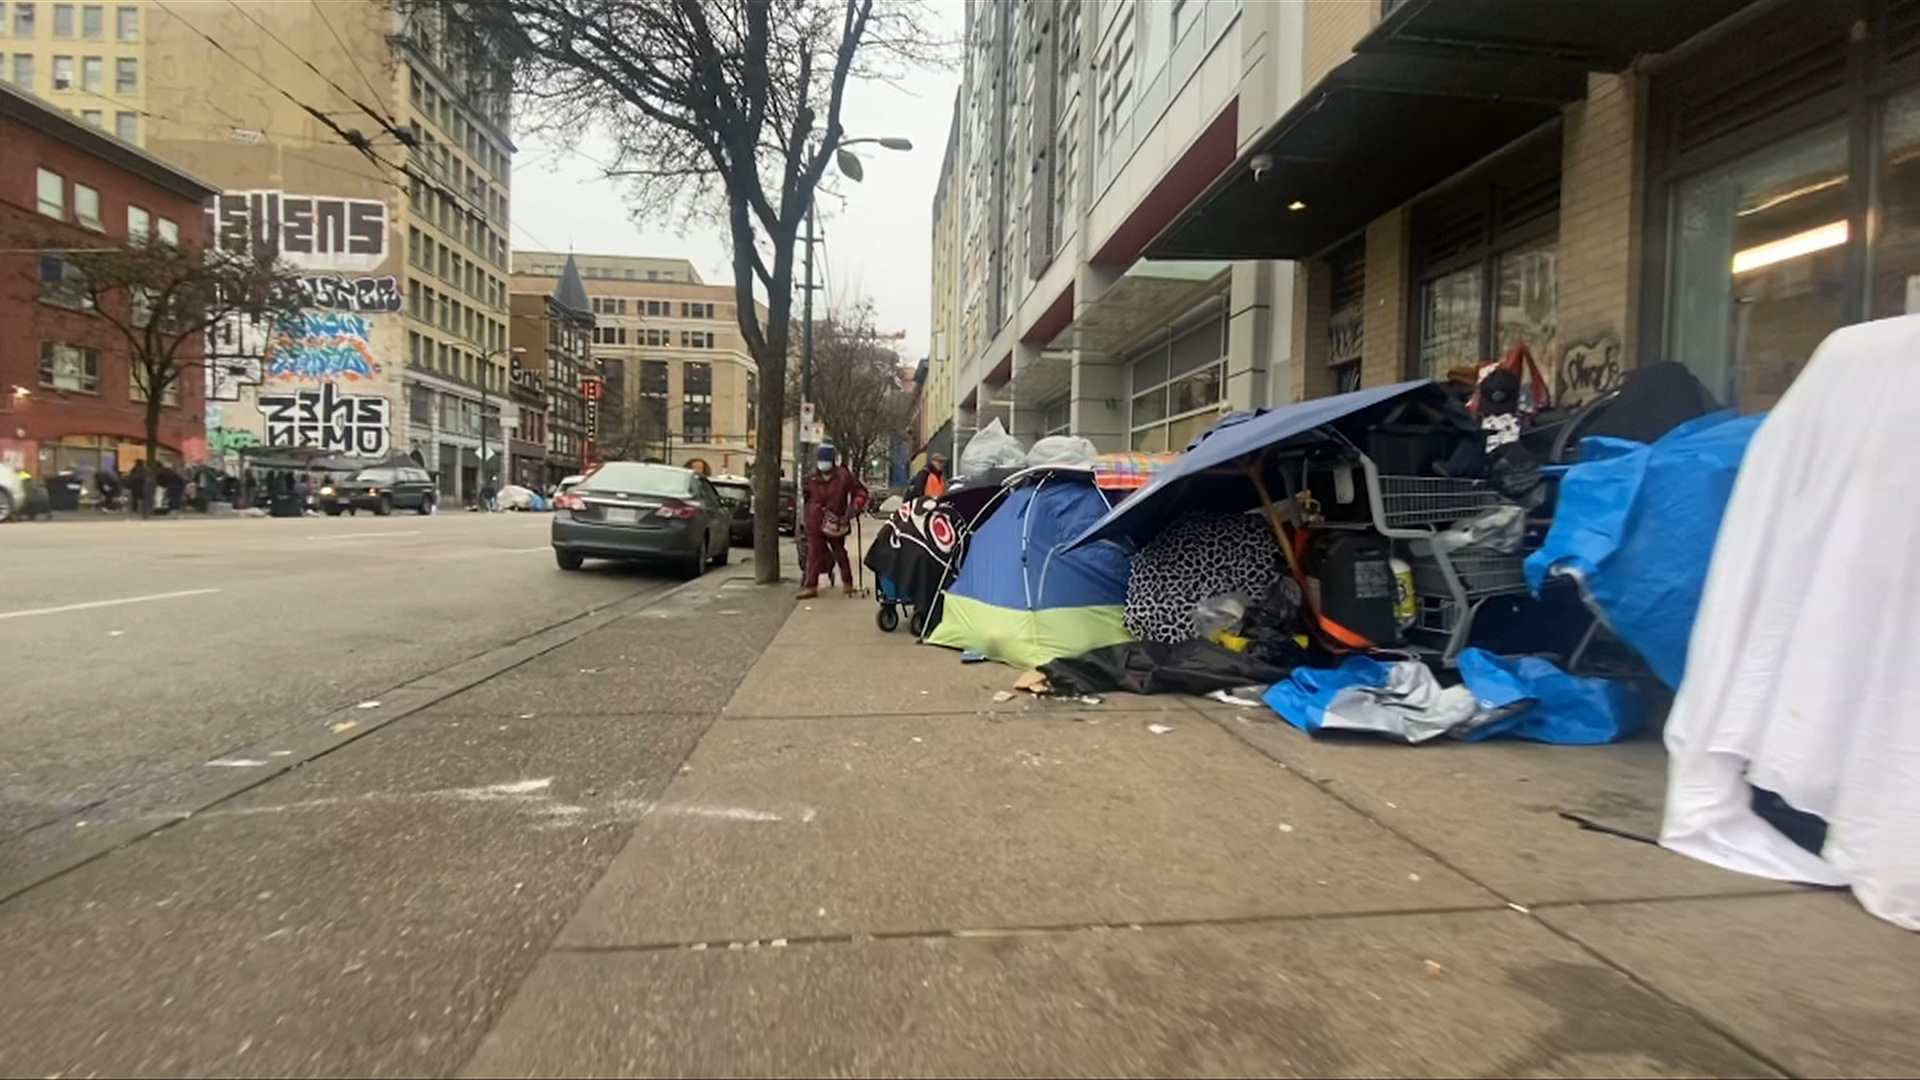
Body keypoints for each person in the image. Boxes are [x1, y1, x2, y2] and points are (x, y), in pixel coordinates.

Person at [796, 445, 867, 600]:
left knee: (839, 551)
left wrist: (856, 505)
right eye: (821, 461)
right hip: (815, 520)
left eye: (826, 461)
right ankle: (811, 585)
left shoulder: (843, 476)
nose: (823, 465)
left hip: (836, 521)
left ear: (832, 461)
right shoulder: (811, 478)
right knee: (814, 554)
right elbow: (806, 497)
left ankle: (848, 582)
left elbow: (860, 491)